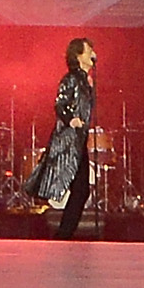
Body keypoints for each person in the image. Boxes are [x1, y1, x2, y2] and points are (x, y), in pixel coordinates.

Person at [27, 40, 98, 235]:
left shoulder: (85, 81)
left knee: (81, 189)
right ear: (78, 56)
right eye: (89, 50)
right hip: (68, 141)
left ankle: (64, 234)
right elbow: (60, 104)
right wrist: (70, 119)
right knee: (79, 188)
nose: (93, 54)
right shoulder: (71, 79)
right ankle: (64, 234)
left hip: (78, 140)